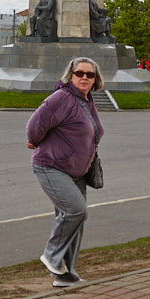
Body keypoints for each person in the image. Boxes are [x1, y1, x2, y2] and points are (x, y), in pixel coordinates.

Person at [26, 57, 104, 287]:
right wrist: (34, 141)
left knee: (75, 219)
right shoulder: (62, 98)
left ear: (95, 79)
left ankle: (65, 273)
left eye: (89, 75)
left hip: (77, 171)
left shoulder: (86, 100)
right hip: (51, 166)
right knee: (75, 211)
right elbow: (34, 125)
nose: (84, 78)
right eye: (79, 73)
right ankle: (51, 256)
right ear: (70, 76)